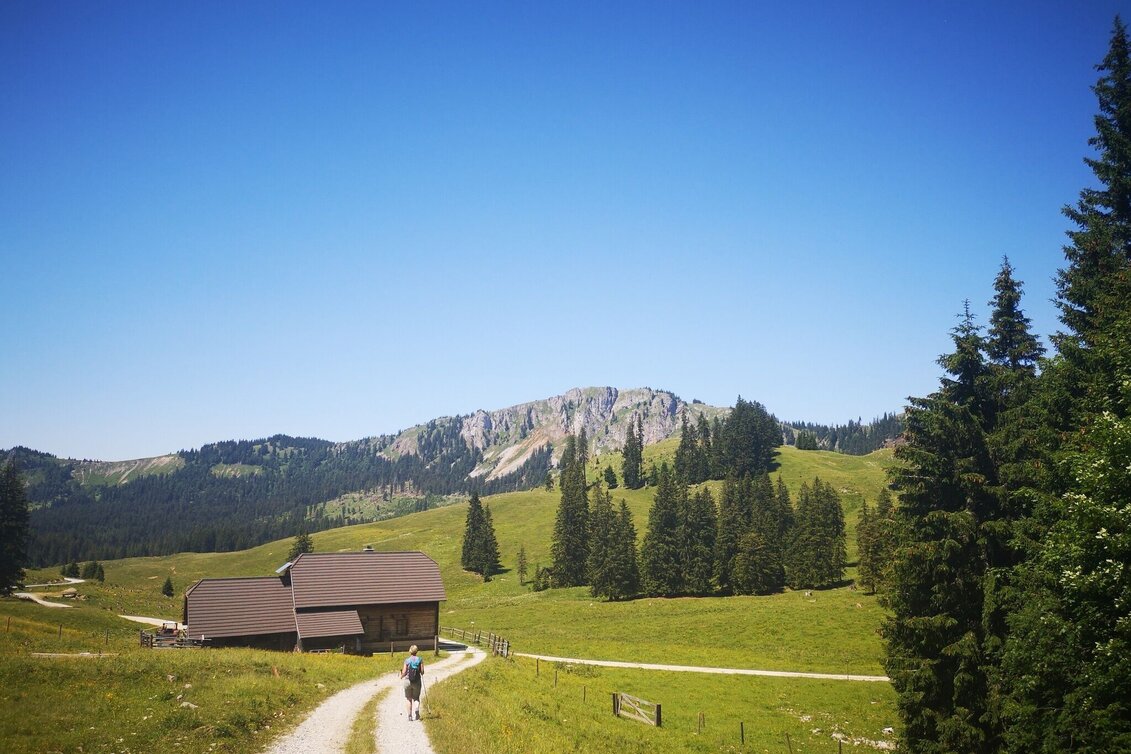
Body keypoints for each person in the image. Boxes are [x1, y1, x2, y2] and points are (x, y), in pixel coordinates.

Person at [400, 644, 424, 720]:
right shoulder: (420, 660)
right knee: (416, 698)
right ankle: (416, 710)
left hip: (407, 681)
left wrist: (401, 676)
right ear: (416, 651)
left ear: (410, 651)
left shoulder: (407, 660)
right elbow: (422, 672)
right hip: (416, 681)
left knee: (408, 698)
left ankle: (410, 716)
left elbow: (404, 672)